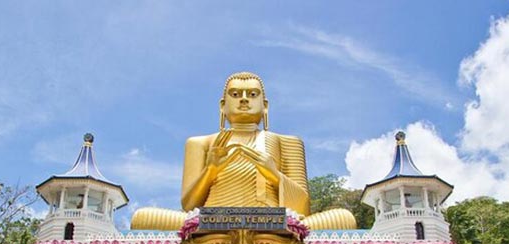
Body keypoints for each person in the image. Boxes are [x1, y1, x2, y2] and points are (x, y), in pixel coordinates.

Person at [131, 72, 356, 230]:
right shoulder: (201, 143)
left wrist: (274, 175)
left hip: (273, 221)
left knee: (344, 219)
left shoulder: (286, 142)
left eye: (252, 94)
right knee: (143, 218)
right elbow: (189, 206)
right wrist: (210, 170)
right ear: (222, 105)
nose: (245, 100)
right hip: (211, 221)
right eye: (236, 94)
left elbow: (302, 209)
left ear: (265, 105)